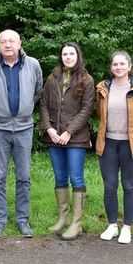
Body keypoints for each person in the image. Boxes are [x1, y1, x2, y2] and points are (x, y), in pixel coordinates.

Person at [0, 29, 42, 238]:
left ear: (19, 43)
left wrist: (24, 110)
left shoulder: (33, 64)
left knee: (23, 176)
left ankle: (23, 220)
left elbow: (37, 92)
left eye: (11, 41)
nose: (8, 45)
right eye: (3, 41)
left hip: (24, 128)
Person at [95, 51, 133, 244]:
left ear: (130, 67)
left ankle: (127, 227)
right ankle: (112, 225)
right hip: (108, 143)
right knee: (110, 186)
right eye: (115, 64)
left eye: (122, 64)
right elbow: (99, 113)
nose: (118, 67)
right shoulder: (102, 88)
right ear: (111, 67)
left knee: (129, 185)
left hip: (131, 145)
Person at [39, 42, 95, 240]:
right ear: (61, 57)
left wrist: (69, 132)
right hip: (54, 137)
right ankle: (63, 218)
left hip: (76, 138)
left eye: (72, 53)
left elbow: (87, 109)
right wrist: (49, 128)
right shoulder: (52, 77)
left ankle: (76, 224)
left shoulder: (87, 79)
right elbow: (43, 105)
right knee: (60, 177)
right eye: (65, 54)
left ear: (78, 56)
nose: (68, 57)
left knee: (76, 178)